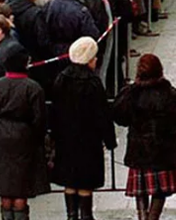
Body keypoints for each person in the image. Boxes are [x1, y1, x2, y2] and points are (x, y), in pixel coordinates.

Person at [113, 54, 176, 220]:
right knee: (160, 191)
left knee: (141, 190)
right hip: (164, 152)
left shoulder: (131, 93)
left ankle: (143, 217)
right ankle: (152, 218)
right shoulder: (169, 93)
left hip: (139, 151)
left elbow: (119, 117)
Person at [50, 37, 116, 220]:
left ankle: (71, 215)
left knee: (70, 181)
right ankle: (86, 215)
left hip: (65, 139)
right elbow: (102, 114)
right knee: (86, 182)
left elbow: (54, 111)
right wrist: (109, 140)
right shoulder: (93, 83)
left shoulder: (61, 79)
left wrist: (54, 135)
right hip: (89, 141)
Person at [0, 49, 50, 220]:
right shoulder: (33, 87)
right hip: (24, 135)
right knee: (21, 185)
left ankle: (6, 216)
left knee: (5, 185)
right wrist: (40, 139)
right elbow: (40, 118)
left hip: (1, 133)